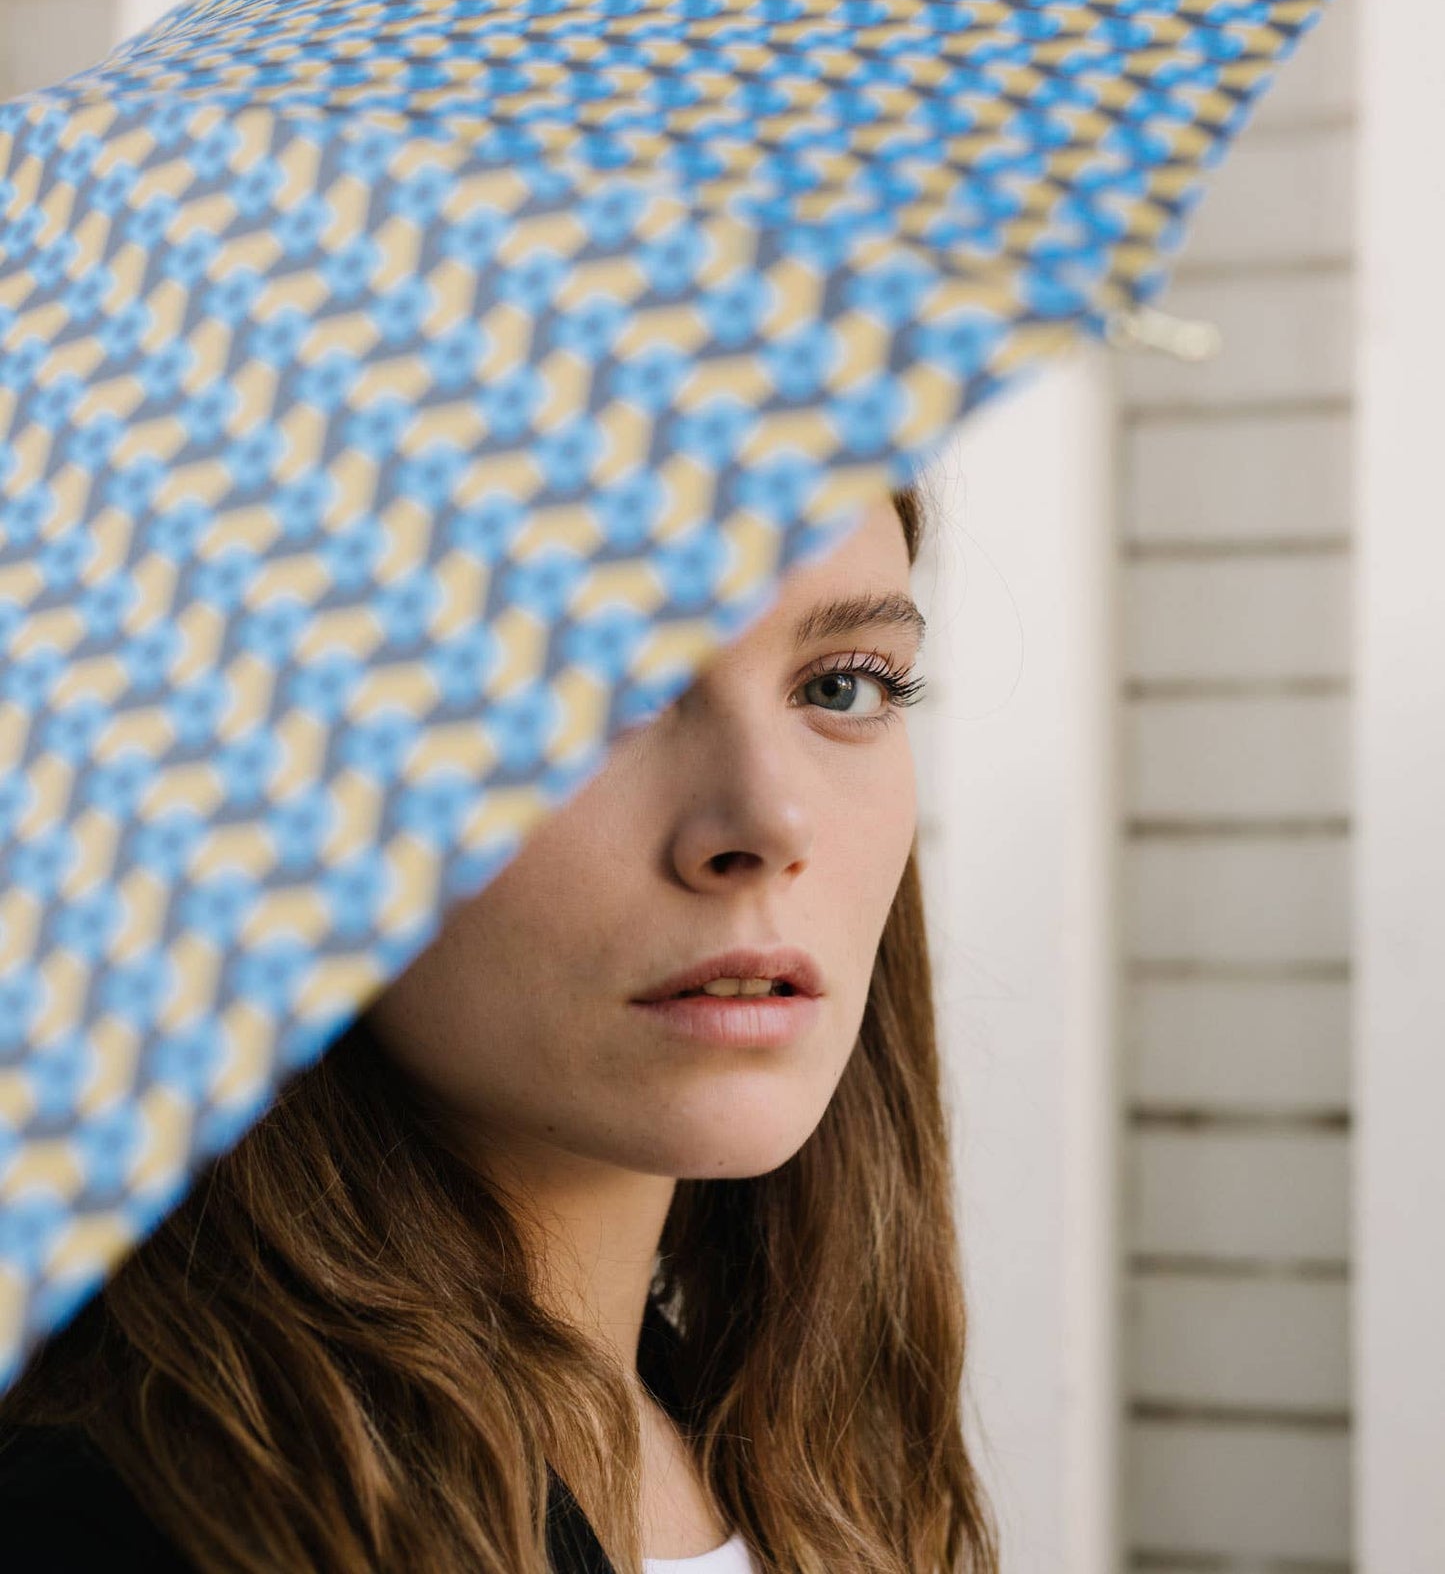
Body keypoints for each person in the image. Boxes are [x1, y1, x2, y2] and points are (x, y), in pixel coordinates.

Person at [0, 481, 999, 1574]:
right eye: (588, 685)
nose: (768, 821)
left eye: (843, 684)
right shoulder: (120, 1520)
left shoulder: (807, 1457)